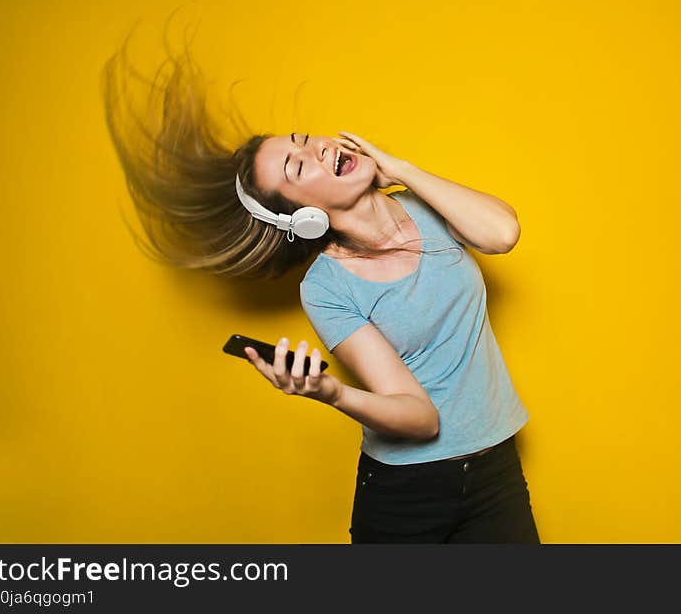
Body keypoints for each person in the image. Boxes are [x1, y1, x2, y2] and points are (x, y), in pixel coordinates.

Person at [101, 33, 539, 543]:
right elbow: (420, 419)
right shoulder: (327, 287)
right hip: (409, 493)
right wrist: (330, 392)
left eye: (306, 141)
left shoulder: (429, 207)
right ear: (304, 217)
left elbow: (503, 234)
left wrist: (400, 170)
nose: (319, 149)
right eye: (298, 165)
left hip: (496, 469)